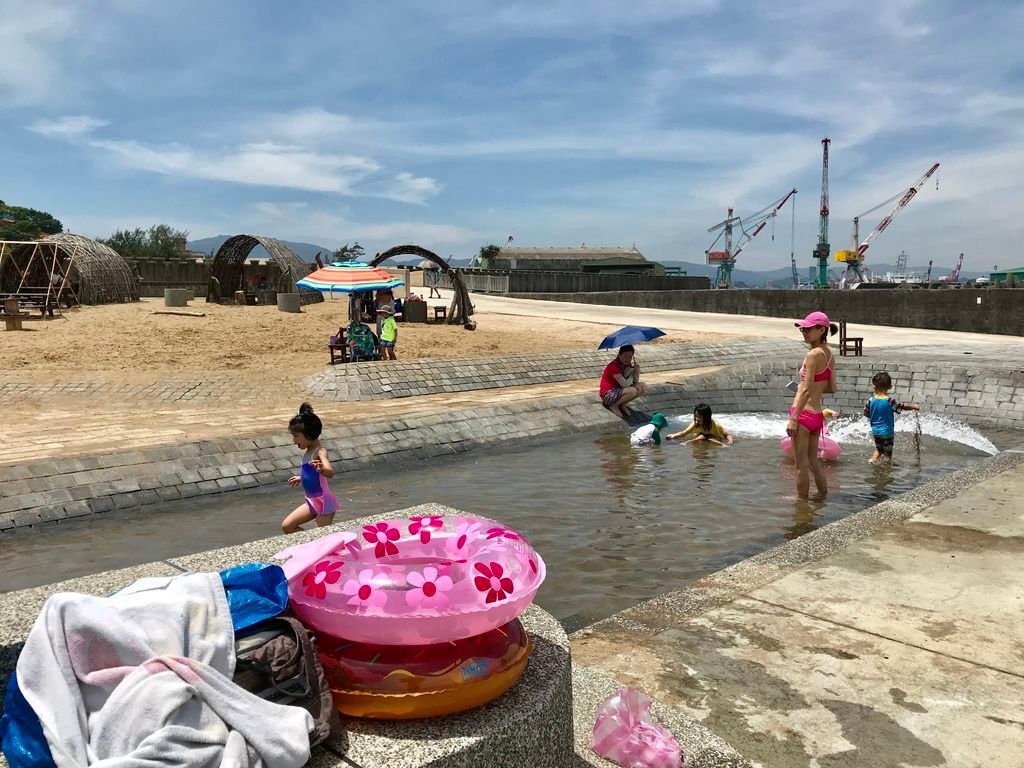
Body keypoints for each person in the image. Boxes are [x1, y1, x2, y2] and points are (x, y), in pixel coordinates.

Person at [786, 311, 838, 499]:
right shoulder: (829, 356)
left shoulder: (813, 354)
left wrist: (793, 418)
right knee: (814, 462)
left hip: (802, 415)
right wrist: (811, 388)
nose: (805, 333)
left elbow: (806, 389)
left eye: (809, 329)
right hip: (816, 416)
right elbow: (832, 388)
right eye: (803, 330)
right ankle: (822, 497)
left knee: (800, 466)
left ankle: (802, 508)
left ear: (822, 329)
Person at [282, 403, 338, 534]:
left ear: (309, 434)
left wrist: (321, 469)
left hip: (324, 503)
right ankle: (310, 544)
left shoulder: (320, 451)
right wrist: (302, 478)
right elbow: (313, 475)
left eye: (296, 436)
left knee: (323, 537)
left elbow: (330, 472)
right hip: (311, 502)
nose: (293, 440)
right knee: (287, 526)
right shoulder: (308, 451)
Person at [864, 371, 921, 463]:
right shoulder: (890, 401)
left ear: (873, 386)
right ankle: (886, 469)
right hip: (887, 431)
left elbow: (866, 413)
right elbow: (902, 407)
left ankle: (871, 461)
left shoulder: (870, 400)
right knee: (888, 454)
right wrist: (914, 406)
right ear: (890, 387)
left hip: (875, 431)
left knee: (879, 449)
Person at [599, 345, 648, 418]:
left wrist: (637, 371)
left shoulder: (627, 365)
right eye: (625, 356)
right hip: (608, 394)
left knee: (643, 386)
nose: (627, 359)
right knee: (632, 391)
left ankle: (622, 404)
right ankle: (614, 405)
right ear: (619, 355)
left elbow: (635, 381)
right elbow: (625, 384)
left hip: (619, 391)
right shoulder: (613, 366)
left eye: (630, 357)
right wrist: (631, 371)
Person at [666, 403, 734, 445]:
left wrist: (730, 441)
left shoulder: (715, 425)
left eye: (699, 417)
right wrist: (673, 436)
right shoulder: (695, 423)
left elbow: (727, 435)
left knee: (704, 438)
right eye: (695, 416)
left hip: (714, 440)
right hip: (701, 439)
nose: (697, 419)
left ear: (706, 417)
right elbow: (684, 433)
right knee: (700, 439)